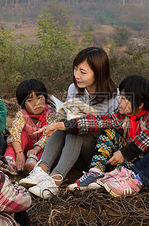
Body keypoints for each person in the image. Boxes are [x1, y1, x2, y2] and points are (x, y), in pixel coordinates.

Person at [41, 75, 149, 192]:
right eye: (120, 96)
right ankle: (95, 172)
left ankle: (113, 178)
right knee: (108, 131)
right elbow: (98, 121)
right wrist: (63, 125)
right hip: (122, 157)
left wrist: (124, 153)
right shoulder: (122, 114)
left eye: (125, 98)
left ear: (141, 104)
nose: (119, 101)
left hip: (143, 162)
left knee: (128, 151)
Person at [19, 47, 119, 198]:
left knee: (74, 130)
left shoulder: (114, 96)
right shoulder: (74, 88)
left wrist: (74, 124)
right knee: (66, 127)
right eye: (75, 69)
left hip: (100, 157)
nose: (77, 75)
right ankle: (42, 169)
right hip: (74, 153)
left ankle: (55, 181)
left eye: (83, 72)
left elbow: (111, 127)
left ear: (98, 73)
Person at [4, 79, 62, 174]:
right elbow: (14, 132)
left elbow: (48, 136)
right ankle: (9, 160)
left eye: (39, 98)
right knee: (20, 135)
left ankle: (34, 164)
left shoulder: (52, 114)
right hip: (24, 151)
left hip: (43, 150)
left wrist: (37, 148)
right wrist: (19, 153)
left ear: (45, 96)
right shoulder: (22, 114)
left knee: (54, 138)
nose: (36, 104)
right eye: (30, 100)